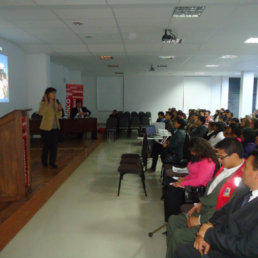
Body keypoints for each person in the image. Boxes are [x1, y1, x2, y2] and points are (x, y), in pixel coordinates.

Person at [166, 138, 245, 258]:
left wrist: (200, 221)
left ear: (234, 156)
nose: (218, 159)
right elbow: (211, 192)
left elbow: (224, 211)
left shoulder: (240, 180)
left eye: (221, 157)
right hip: (204, 209)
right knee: (172, 220)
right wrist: (198, 204)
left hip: (213, 221)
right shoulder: (225, 168)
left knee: (178, 235)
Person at [163, 137, 219, 222]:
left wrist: (182, 184)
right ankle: (171, 218)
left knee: (171, 191)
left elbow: (199, 181)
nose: (191, 152)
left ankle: (172, 219)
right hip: (192, 183)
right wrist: (184, 179)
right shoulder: (198, 157)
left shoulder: (208, 162)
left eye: (193, 150)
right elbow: (192, 173)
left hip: (198, 189)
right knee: (169, 183)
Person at [39, 87, 63, 168]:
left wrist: (60, 110)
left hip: (55, 128)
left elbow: (58, 115)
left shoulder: (56, 103)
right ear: (47, 94)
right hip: (46, 128)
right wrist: (46, 103)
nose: (54, 95)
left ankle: (52, 162)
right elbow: (41, 113)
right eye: (52, 93)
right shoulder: (43, 103)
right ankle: (44, 161)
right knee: (47, 146)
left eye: (54, 93)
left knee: (54, 146)